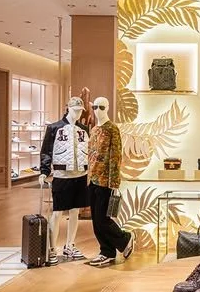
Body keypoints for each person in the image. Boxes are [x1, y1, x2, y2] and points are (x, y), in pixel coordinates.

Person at [39, 97, 90, 264]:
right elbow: (46, 151)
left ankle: (70, 245)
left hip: (80, 175)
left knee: (75, 212)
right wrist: (44, 171)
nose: (78, 113)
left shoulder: (84, 129)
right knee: (57, 212)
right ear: (68, 108)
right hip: (62, 176)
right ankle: (52, 248)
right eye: (75, 110)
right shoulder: (54, 128)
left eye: (80, 111)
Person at [86, 96, 133, 267]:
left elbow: (116, 156)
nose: (97, 111)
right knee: (95, 220)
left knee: (103, 219)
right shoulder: (94, 130)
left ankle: (124, 239)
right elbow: (90, 154)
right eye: (95, 107)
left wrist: (114, 183)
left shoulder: (112, 129)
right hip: (93, 179)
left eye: (101, 107)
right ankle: (106, 251)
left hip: (105, 180)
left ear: (107, 108)